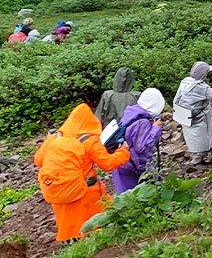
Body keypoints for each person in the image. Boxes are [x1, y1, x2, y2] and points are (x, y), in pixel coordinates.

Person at [34, 103, 130, 242]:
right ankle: (99, 244)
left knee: (68, 226)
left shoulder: (55, 138)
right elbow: (108, 164)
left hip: (58, 189)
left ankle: (70, 247)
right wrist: (123, 152)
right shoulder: (89, 140)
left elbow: (38, 160)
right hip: (84, 192)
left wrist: (48, 140)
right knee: (96, 220)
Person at [173, 61, 212, 165]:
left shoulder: (184, 82)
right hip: (202, 115)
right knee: (210, 132)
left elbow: (176, 100)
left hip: (186, 115)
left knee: (193, 136)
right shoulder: (203, 88)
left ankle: (198, 155)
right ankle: (210, 152)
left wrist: (178, 111)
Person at [110, 88, 165, 193]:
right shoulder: (143, 122)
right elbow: (141, 147)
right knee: (141, 193)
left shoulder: (132, 112)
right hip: (132, 164)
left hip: (121, 159)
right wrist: (155, 129)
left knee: (124, 196)